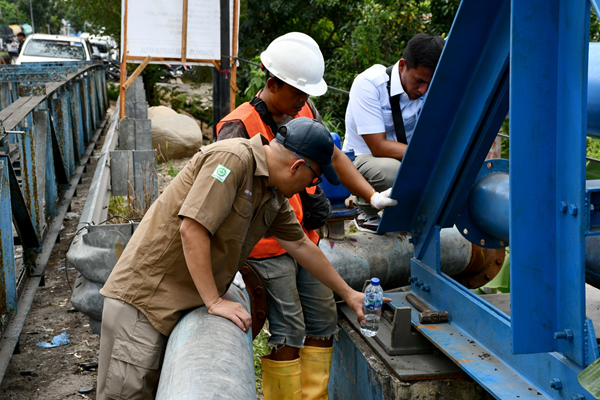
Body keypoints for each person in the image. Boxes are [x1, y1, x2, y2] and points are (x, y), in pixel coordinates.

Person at [96, 118, 379, 400]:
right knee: (126, 395)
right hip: (144, 305)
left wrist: (349, 294)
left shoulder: (272, 195)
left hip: (173, 307)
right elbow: (192, 229)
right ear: (297, 167)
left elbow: (301, 245)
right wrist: (214, 301)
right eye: (314, 178)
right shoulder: (232, 159)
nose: (311, 186)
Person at [217, 32, 397, 400]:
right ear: (272, 83)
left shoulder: (304, 112)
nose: (304, 102)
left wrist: (371, 195)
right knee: (288, 330)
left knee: (322, 321)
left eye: (307, 96)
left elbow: (333, 156)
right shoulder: (238, 127)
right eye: (299, 93)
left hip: (304, 240)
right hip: (266, 249)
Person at [343, 33, 445, 232]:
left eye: (429, 83)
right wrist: (426, 157)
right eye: (418, 80)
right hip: (363, 158)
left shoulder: (426, 90)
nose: (423, 90)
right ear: (402, 66)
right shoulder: (369, 84)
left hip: (403, 155)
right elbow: (378, 146)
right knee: (395, 173)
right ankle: (363, 208)